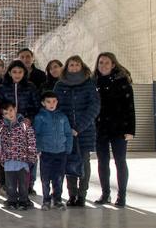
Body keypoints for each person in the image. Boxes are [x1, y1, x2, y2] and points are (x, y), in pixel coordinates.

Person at [54, 55, 100, 207]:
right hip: (66, 132)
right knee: (68, 162)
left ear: (82, 66)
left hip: (84, 131)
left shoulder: (89, 84)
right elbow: (56, 107)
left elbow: (94, 107)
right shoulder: (60, 85)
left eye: (77, 65)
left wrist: (79, 127)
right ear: (66, 67)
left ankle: (82, 194)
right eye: (71, 65)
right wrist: (66, 128)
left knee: (84, 162)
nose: (74, 67)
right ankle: (72, 194)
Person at [94, 52, 135, 208]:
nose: (103, 65)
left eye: (106, 62)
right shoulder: (94, 82)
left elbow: (130, 107)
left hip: (119, 129)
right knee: (102, 162)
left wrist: (130, 130)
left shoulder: (122, 82)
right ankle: (105, 194)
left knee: (120, 161)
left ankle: (122, 196)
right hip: (101, 129)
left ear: (113, 64)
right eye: (100, 62)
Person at [0, 60, 40, 195]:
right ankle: (4, 184)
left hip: (24, 126)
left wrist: (29, 118)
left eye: (20, 72)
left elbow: (36, 105)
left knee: (26, 154)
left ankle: (27, 184)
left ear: (24, 73)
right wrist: (3, 121)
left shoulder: (30, 87)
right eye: (14, 72)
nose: (17, 74)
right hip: (8, 126)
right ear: (9, 72)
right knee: (5, 153)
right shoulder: (3, 88)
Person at [34, 91, 72, 211]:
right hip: (46, 152)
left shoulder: (62, 117)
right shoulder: (40, 117)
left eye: (54, 101)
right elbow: (37, 134)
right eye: (48, 101)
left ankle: (57, 200)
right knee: (45, 178)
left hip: (61, 152)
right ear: (43, 103)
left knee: (59, 177)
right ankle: (46, 200)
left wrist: (68, 148)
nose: (52, 104)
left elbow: (68, 133)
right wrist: (38, 148)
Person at [0, 102, 37, 211]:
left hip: (22, 159)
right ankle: (12, 200)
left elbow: (31, 140)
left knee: (23, 183)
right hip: (9, 160)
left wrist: (32, 155)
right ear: (3, 115)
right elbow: (1, 143)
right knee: (10, 183)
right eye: (6, 113)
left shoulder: (24, 125)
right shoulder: (3, 128)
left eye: (11, 110)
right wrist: (1, 157)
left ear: (15, 109)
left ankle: (24, 200)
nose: (9, 114)